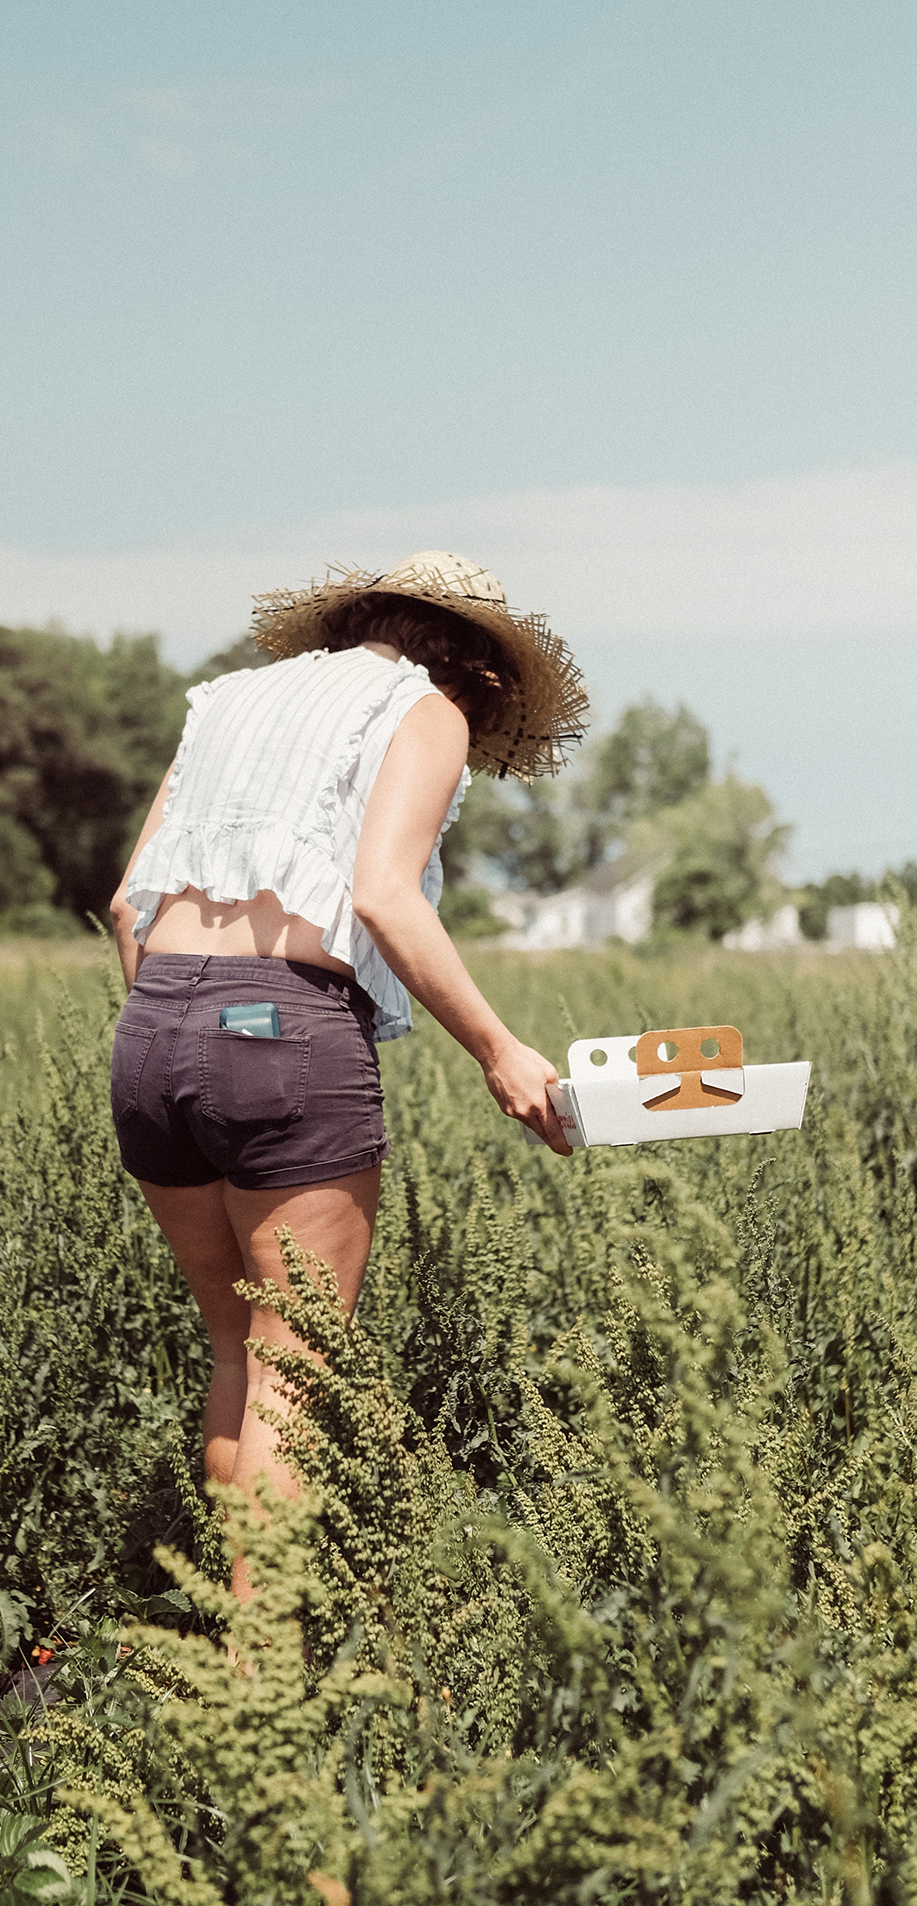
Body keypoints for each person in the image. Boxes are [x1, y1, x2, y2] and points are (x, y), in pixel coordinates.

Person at [109, 551, 587, 1599]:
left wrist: (188, 1023)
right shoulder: (424, 710)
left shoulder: (226, 700)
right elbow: (383, 895)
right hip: (284, 1032)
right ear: (480, 672)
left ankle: (224, 1667)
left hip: (150, 1029)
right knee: (293, 1374)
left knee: (237, 1353)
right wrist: (503, 1053)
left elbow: (124, 907)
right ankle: (259, 1703)